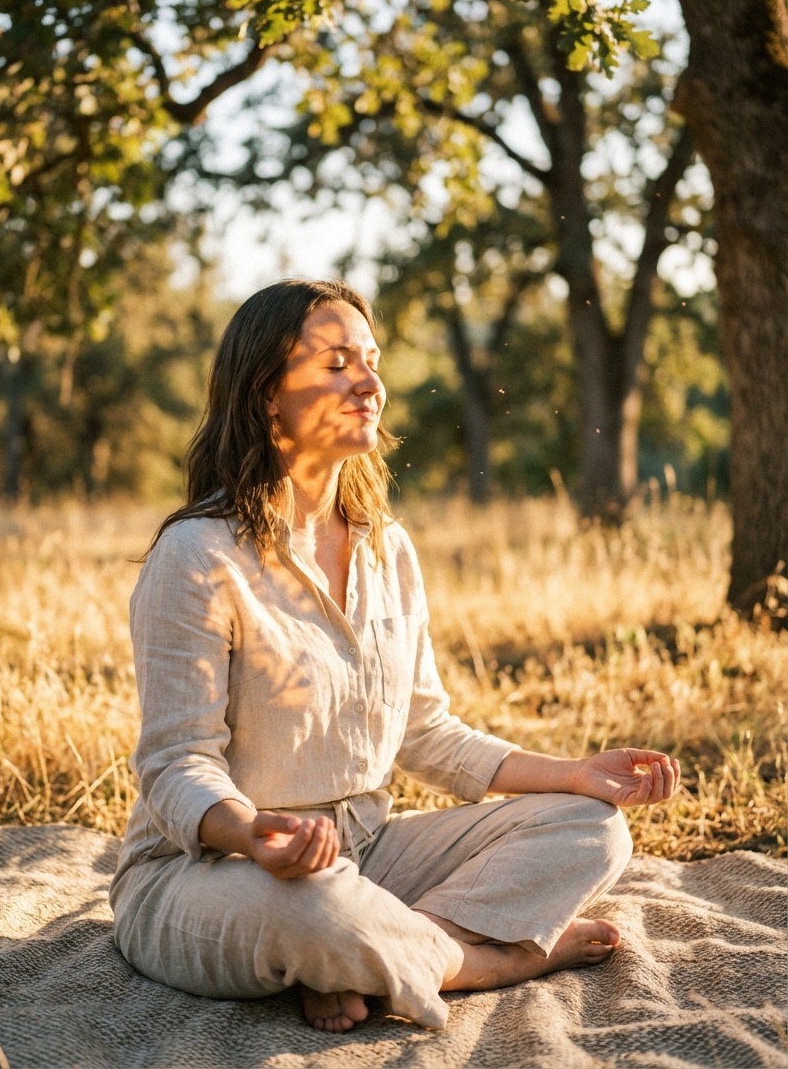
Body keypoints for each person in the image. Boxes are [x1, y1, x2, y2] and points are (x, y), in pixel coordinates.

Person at [109, 278, 680, 1033]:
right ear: (266, 393)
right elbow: (176, 762)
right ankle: (489, 961)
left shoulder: (388, 547)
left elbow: (425, 731)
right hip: (210, 871)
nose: (370, 383)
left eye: (371, 361)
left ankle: (372, 960)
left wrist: (573, 774)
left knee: (591, 827)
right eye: (338, 362)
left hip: (368, 853)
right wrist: (253, 834)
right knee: (317, 909)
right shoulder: (197, 555)